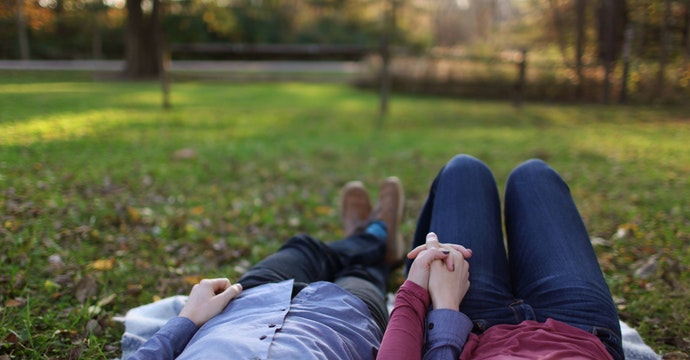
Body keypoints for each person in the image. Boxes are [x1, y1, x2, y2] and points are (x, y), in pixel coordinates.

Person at [127, 177, 409, 359]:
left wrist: (187, 319)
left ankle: (369, 237)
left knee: (304, 248)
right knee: (362, 272)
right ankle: (376, 238)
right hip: (343, 326)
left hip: (244, 307)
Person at [378, 154, 624, 360]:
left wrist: (421, 290)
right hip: (581, 335)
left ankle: (387, 242)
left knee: (464, 171)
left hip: (468, 331)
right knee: (534, 175)